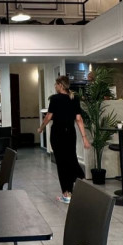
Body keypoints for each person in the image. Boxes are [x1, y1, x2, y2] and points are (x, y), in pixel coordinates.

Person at [38, 75, 90, 203]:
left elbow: (48, 117)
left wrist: (41, 128)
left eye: (56, 84)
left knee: (62, 163)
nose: (55, 86)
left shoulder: (55, 99)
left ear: (61, 85)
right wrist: (84, 138)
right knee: (71, 158)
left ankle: (67, 193)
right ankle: (78, 182)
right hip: (70, 133)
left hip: (58, 134)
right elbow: (79, 119)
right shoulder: (74, 98)